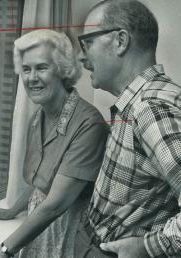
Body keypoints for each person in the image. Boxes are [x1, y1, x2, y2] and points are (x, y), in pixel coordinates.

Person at [0, 29, 108, 258]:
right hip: (37, 227)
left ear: (62, 70)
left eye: (41, 67)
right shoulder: (38, 117)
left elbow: (56, 204)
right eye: (26, 69)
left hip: (69, 237)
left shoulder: (89, 124)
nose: (31, 78)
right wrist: (13, 211)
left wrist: (4, 250)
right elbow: (42, 180)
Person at [76, 1, 181, 258]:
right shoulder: (142, 101)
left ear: (120, 41)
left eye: (87, 42)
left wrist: (147, 247)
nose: (81, 56)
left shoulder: (151, 108)